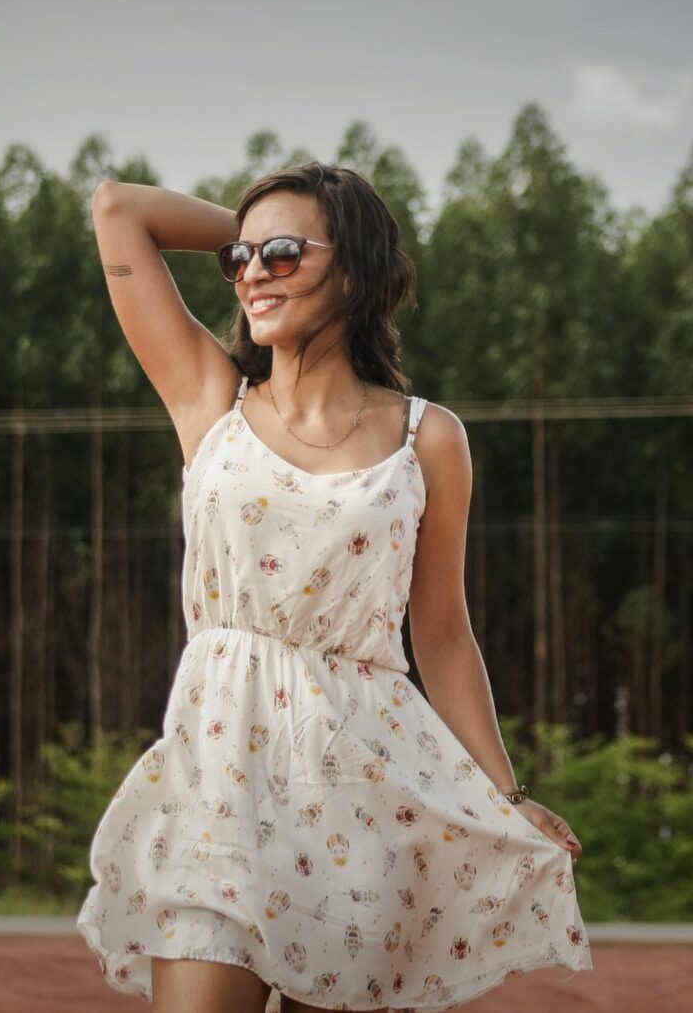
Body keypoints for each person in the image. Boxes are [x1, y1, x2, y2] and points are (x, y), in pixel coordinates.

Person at [75, 161, 592, 1013]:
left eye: (281, 253)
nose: (250, 273)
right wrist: (261, 239)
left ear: (354, 269)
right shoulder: (210, 402)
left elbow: (444, 635)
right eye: (239, 259)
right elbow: (119, 209)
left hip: (363, 785)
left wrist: (507, 797)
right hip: (218, 778)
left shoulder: (427, 438)